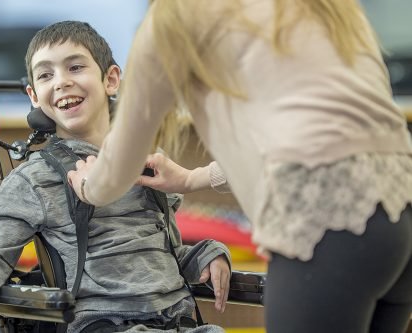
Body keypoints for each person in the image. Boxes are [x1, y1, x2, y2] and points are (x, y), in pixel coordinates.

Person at [67, 1, 412, 332]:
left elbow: (120, 164)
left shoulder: (175, 17)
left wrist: (87, 183)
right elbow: (330, 141)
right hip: (402, 216)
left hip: (335, 222)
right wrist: (193, 177)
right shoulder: (326, 7)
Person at [0, 20, 232, 333]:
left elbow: (159, 253)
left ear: (111, 79)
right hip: (103, 324)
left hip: (176, 320)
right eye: (46, 74)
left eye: (75, 67)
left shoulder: (148, 165)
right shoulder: (34, 179)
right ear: (34, 96)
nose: (61, 82)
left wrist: (205, 255)